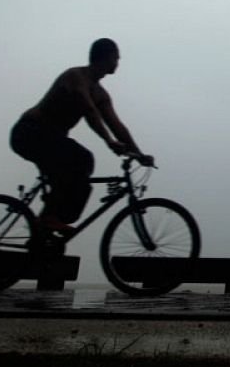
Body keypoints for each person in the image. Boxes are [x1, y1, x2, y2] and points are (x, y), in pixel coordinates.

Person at [10, 38, 154, 235]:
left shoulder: (101, 94)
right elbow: (88, 110)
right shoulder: (76, 76)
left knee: (79, 183)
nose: (117, 63)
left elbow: (118, 126)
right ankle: (50, 219)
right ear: (105, 57)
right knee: (80, 159)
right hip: (30, 132)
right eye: (116, 58)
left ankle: (42, 232)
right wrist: (109, 141)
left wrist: (139, 154)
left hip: (51, 138)